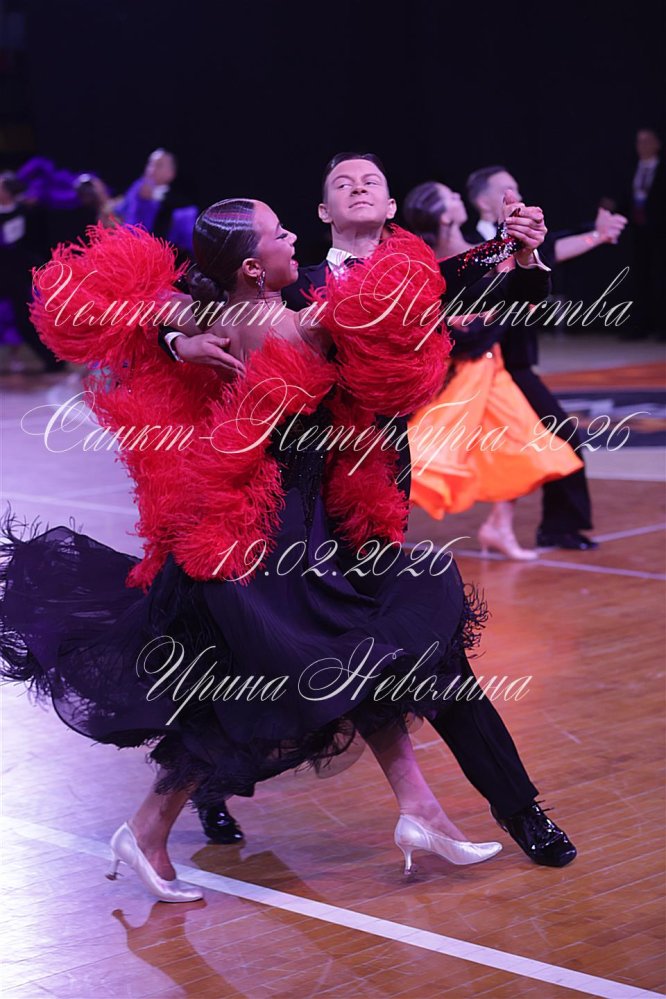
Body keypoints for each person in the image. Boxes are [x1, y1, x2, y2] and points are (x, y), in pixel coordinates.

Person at [2, 199, 521, 903]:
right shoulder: (295, 325)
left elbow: (129, 305)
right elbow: (401, 300)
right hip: (266, 545)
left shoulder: (208, 314)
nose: (293, 237)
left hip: (293, 530)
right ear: (253, 265)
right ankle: (147, 829)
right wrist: (495, 250)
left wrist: (173, 337)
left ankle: (419, 810)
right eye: (280, 233)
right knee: (266, 696)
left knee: (360, 657)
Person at [163, 154, 577, 868]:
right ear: (323, 212)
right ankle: (208, 785)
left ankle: (522, 810)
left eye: (372, 182)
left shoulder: (417, 276)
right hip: (292, 505)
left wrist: (525, 251)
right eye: (341, 183)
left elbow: (502, 288)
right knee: (277, 663)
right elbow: (176, 293)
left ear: (390, 209)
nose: (358, 186)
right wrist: (176, 339)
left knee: (431, 656)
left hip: (374, 493)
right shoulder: (290, 281)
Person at [402, 179, 583, 560]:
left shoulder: (477, 248)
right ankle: (377, 527)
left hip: (493, 365)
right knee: (425, 456)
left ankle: (499, 526)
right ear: (443, 216)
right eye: (451, 197)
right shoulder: (432, 260)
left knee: (524, 446)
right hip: (458, 372)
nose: (459, 198)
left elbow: (517, 292)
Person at [462, 164, 623, 551]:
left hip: (513, 368)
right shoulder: (464, 243)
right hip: (468, 369)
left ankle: (558, 527)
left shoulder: (524, 241)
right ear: (483, 201)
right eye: (507, 189)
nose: (517, 196)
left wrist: (598, 236)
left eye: (518, 188)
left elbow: (556, 250)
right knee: (420, 445)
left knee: (561, 434)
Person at [115, 148, 198, 260]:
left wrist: (153, 195)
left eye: (159, 165)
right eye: (150, 164)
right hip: (127, 251)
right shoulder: (136, 191)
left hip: (156, 258)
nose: (151, 169)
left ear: (171, 173)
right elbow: (122, 212)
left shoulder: (178, 202)